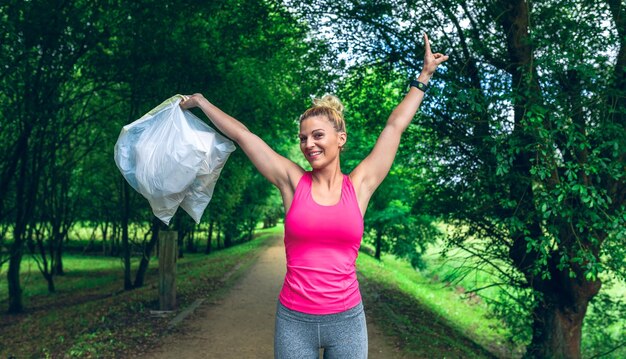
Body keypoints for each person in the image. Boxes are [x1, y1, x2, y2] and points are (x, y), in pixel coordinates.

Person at [180, 33, 448, 359]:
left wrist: (424, 77)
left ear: (341, 138)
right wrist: (202, 103)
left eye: (317, 135)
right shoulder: (292, 182)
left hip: (347, 320)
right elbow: (243, 135)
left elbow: (394, 127)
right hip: (294, 320)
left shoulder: (360, 185)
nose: (309, 144)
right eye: (303, 137)